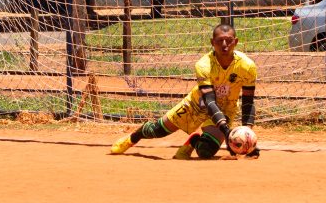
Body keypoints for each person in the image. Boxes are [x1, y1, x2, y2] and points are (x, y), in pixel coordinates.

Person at [110, 24, 259, 159]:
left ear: (236, 42)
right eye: (220, 40)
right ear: (212, 42)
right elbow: (209, 101)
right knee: (158, 130)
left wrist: (248, 137)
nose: (224, 44)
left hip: (226, 107)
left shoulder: (247, 66)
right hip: (197, 104)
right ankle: (133, 138)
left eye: (229, 40)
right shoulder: (203, 65)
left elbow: (248, 101)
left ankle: (193, 141)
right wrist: (227, 132)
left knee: (206, 152)